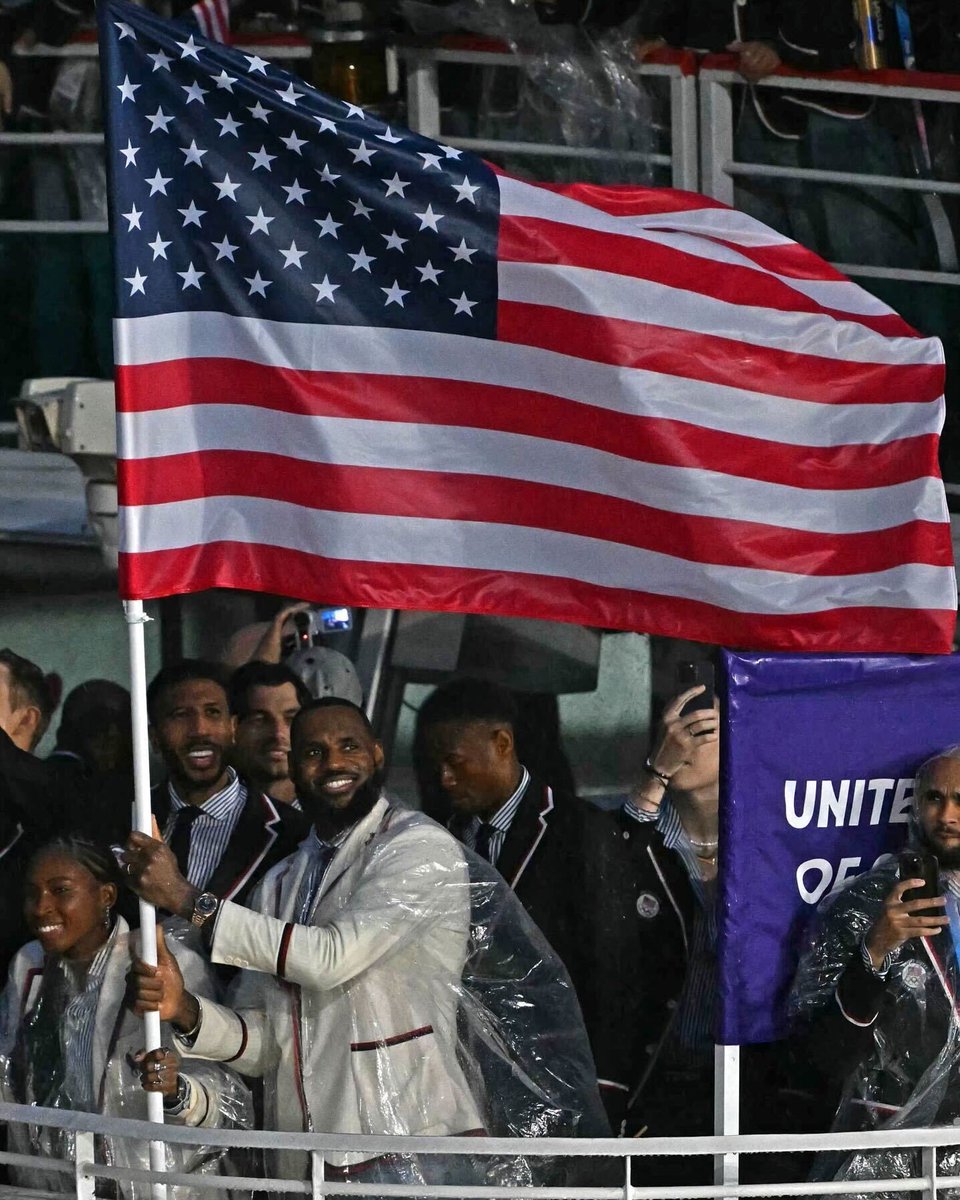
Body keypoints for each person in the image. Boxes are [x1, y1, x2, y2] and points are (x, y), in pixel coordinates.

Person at [124, 697, 607, 1183]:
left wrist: (186, 898)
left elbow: (329, 959)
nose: (333, 762)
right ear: (293, 768)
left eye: (348, 746)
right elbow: (271, 1044)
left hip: (413, 1153)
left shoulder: (418, 846)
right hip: (306, 1164)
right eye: (313, 752)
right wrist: (185, 1009)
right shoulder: (280, 881)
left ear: (377, 754)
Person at [0, 836, 250, 1198]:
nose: (42, 907)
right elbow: (8, 1071)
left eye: (60, 890)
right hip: (51, 1185)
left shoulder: (159, 965)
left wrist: (176, 1090)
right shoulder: (28, 965)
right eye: (32, 893)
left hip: (155, 1186)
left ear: (106, 896)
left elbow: (224, 1097)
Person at [790, 747, 960, 1186]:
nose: (947, 816)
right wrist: (876, 950)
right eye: (934, 798)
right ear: (915, 805)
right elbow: (821, 1057)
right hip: (891, 1159)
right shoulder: (864, 906)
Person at [415, 678, 594, 991]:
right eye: (435, 765)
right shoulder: (441, 835)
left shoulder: (580, 831)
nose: (445, 779)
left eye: (455, 762)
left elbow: (606, 969)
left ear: (502, 743)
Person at [147, 660, 307, 915]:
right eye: (181, 715)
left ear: (233, 728)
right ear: (154, 737)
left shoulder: (294, 834)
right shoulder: (121, 821)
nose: (200, 730)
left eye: (212, 713)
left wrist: (180, 896)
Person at [229, 660, 311, 808]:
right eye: (260, 720)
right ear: (233, 727)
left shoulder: (336, 811)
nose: (278, 733)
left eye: (291, 719)